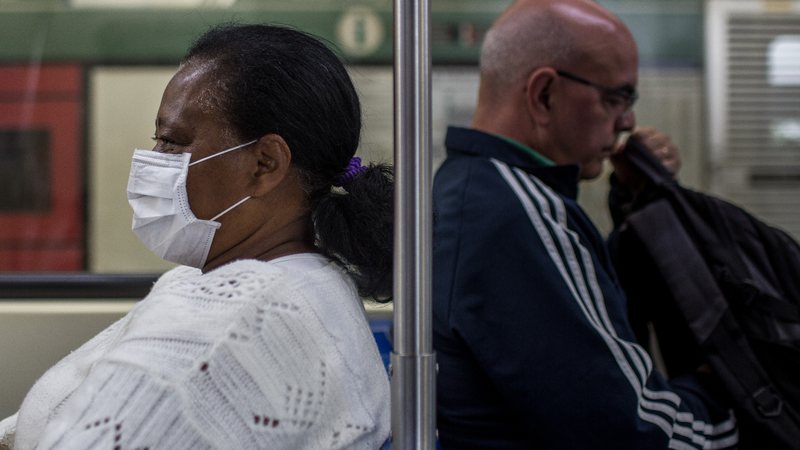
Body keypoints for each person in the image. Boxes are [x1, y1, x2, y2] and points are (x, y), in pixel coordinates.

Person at [0, 24, 391, 450]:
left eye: (171, 142)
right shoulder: (266, 282)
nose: (152, 161)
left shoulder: (229, 329)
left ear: (264, 164)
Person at [432, 0, 738, 448]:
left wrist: (637, 202)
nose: (628, 123)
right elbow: (630, 429)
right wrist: (723, 397)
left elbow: (594, 327)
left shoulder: (474, 189)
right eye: (615, 98)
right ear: (544, 95)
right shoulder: (516, 216)